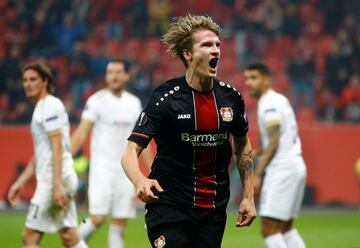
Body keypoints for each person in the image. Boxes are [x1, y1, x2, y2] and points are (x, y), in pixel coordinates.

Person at [121, 14, 256, 248]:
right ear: (188, 54)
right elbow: (131, 150)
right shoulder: (165, 98)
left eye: (217, 45)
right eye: (206, 45)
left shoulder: (231, 98)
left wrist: (248, 197)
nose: (215, 50)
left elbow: (242, 145)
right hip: (169, 206)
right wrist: (140, 180)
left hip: (212, 209)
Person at [71, 60, 153, 248]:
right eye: (110, 72)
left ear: (126, 76)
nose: (114, 76)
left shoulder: (134, 103)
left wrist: (152, 169)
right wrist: (65, 156)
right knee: (97, 219)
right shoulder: (96, 101)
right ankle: (71, 240)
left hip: (126, 172)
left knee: (119, 224)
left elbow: (142, 140)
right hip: (102, 170)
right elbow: (82, 131)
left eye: (118, 72)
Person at [7, 62, 87, 248]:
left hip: (54, 180)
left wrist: (57, 185)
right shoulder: (41, 108)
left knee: (29, 237)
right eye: (25, 80)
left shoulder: (50, 106)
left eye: (33, 79)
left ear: (45, 81)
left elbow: (57, 147)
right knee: (69, 236)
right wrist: (19, 182)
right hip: (57, 178)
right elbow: (41, 154)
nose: (27, 84)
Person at [244, 62, 307, 248]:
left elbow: (275, 140)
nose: (248, 82)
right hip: (296, 165)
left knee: (269, 229)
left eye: (254, 78)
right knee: (285, 228)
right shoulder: (280, 99)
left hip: (282, 169)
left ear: (267, 80)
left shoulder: (268, 103)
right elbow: (279, 137)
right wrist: (257, 152)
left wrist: (257, 173)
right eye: (247, 78)